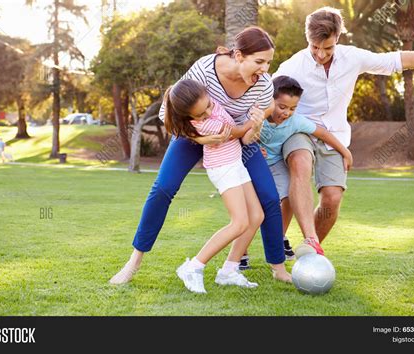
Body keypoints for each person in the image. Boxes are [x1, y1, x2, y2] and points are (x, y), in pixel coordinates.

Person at [110, 26, 292, 285]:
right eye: (259, 61)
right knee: (163, 188)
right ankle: (134, 261)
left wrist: (258, 119)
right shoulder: (206, 69)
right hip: (192, 135)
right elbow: (167, 114)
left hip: (235, 137)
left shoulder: (261, 83)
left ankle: (275, 267)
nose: (265, 69)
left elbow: (267, 106)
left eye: (269, 62)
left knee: (269, 197)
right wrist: (202, 139)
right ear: (239, 55)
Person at [272, 6, 414, 249]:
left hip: (335, 136)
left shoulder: (351, 57)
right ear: (307, 39)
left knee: (332, 199)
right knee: (300, 163)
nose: (321, 54)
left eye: (328, 48)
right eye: (315, 47)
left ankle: (308, 250)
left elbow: (396, 60)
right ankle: (286, 245)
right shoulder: (292, 66)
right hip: (299, 131)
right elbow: (264, 97)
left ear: (338, 38)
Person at [163, 79, 262, 293]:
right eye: (199, 115)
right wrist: (255, 119)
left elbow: (218, 105)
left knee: (256, 216)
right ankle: (193, 266)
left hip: (235, 163)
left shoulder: (209, 101)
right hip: (223, 168)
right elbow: (236, 132)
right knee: (239, 223)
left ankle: (229, 270)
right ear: (189, 116)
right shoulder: (207, 124)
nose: (207, 112)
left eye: (208, 105)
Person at [258, 75, 352, 258]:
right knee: (251, 208)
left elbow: (322, 133)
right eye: (282, 107)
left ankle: (278, 241)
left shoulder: (296, 121)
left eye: (292, 108)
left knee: (288, 196)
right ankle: (241, 253)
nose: (286, 113)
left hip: (275, 165)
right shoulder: (259, 117)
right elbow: (241, 135)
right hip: (255, 165)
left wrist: (345, 151)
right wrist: (254, 149)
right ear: (270, 101)